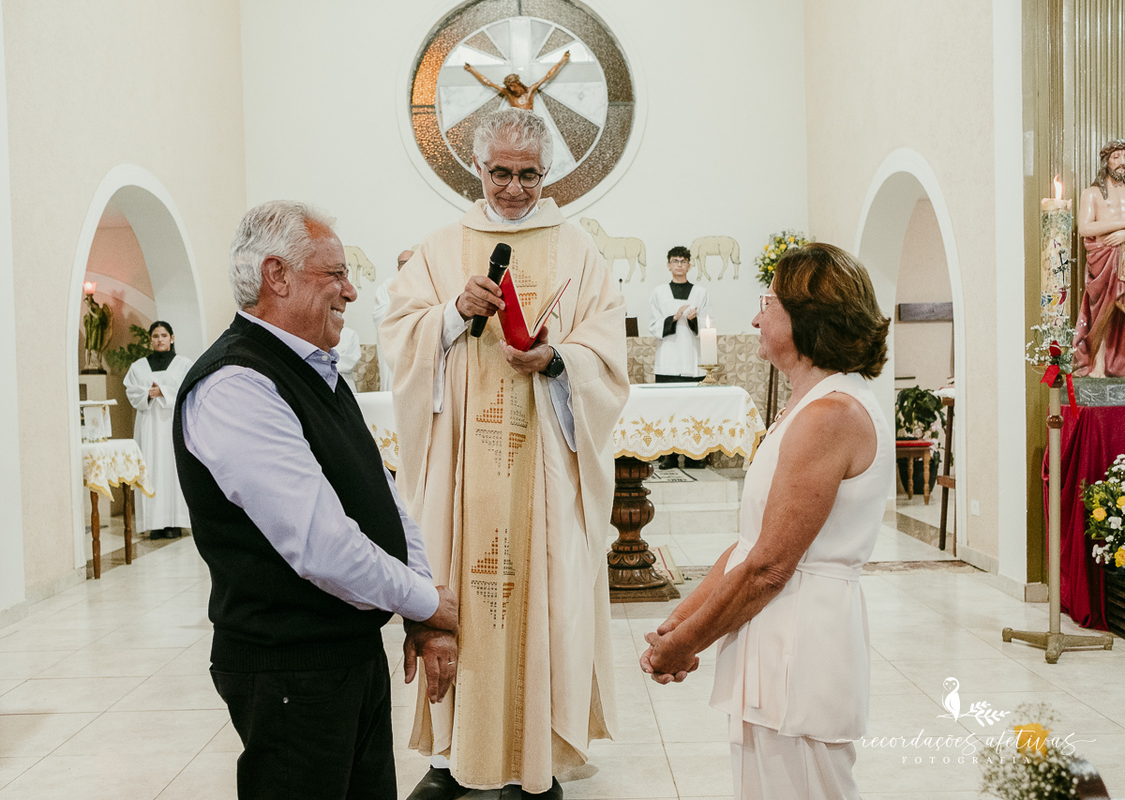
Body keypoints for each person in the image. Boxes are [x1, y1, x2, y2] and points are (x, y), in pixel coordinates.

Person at [173, 200, 459, 800]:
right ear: (277, 275)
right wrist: (430, 601)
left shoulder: (316, 371)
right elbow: (321, 545)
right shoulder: (237, 385)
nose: (351, 292)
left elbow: (383, 498)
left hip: (346, 652)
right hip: (287, 668)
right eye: (335, 274)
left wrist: (418, 613)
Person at [382, 108, 627, 800]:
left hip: (543, 470)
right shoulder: (439, 250)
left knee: (540, 601)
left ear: (546, 174)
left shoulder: (578, 250)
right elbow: (398, 343)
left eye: (527, 174)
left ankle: (534, 758)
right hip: (463, 471)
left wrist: (559, 361)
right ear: (477, 169)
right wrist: (453, 314)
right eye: (500, 172)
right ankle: (450, 757)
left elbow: (608, 354)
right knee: (458, 591)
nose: (514, 188)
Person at [640, 243, 892, 800]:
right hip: (777, 630)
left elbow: (769, 567)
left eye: (769, 303)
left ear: (808, 319)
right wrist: (677, 624)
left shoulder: (832, 414)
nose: (756, 316)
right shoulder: (811, 405)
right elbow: (746, 545)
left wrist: (687, 645)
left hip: (802, 640)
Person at [123, 321, 193, 539]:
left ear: (172, 338)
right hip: (149, 425)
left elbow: (188, 388)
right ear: (150, 339)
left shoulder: (183, 364)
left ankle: (175, 522)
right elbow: (132, 392)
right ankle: (155, 523)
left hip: (172, 423)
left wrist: (164, 391)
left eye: (163, 335)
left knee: (172, 469)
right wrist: (147, 394)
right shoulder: (138, 366)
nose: (159, 339)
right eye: (155, 336)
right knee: (151, 469)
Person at [649, 245, 712, 468]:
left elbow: (706, 325)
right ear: (668, 265)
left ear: (689, 265)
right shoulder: (658, 293)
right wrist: (674, 317)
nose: (679, 265)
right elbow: (653, 325)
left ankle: (695, 455)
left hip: (692, 358)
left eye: (683, 261)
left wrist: (694, 319)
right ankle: (670, 455)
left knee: (693, 408)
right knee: (668, 408)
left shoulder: (701, 292)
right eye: (675, 261)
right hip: (668, 358)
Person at [1074, 139, 1125, 377]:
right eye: (1116, 157)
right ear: (1106, 161)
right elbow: (1085, 228)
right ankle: (1097, 362)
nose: (1122, 163)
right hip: (1102, 260)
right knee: (1102, 311)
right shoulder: (1092, 193)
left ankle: (1119, 361)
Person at [463, 51, 570, 111]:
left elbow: (547, 76)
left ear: (518, 83)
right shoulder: (508, 93)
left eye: (513, 86)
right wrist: (472, 70)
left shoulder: (529, 91)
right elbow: (489, 83)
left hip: (530, 123)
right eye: (509, 87)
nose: (512, 89)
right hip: (517, 124)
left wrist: (562, 60)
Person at [373, 249, 414, 390]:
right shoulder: (388, 286)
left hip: (416, 348)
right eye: (403, 263)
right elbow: (379, 315)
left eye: (411, 262)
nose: (407, 266)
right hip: (393, 347)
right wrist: (408, 312)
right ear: (398, 267)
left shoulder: (425, 287)